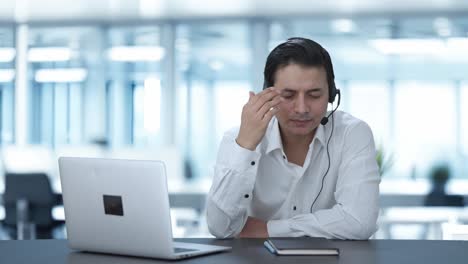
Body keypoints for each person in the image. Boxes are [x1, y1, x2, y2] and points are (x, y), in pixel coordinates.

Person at [206, 37, 380, 240]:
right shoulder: (238, 137)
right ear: (267, 94)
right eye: (288, 95)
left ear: (331, 95)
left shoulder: (352, 133)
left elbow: (358, 221)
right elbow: (219, 227)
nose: (301, 108)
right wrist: (245, 146)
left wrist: (269, 229)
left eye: (314, 95)